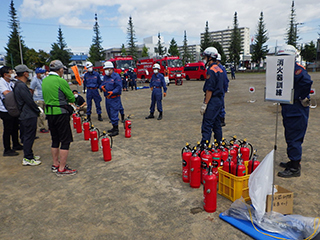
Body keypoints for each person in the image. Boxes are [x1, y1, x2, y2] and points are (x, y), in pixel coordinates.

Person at [277, 45, 313, 178]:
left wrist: (300, 96)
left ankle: (295, 167)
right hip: (289, 107)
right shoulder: (285, 70)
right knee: (290, 135)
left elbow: (307, 82)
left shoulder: (297, 69)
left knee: (294, 137)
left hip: (296, 108)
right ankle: (292, 161)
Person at [42, 60, 77, 176]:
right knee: (65, 140)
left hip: (49, 113)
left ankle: (55, 163)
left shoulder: (45, 80)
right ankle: (62, 168)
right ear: (60, 70)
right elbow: (71, 98)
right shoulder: (60, 81)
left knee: (55, 139)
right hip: (60, 113)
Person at [14, 65, 41, 166]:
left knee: (28, 136)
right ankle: (28, 157)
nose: (29, 74)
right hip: (27, 115)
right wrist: (37, 110)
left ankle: (30, 154)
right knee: (28, 136)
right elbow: (29, 101)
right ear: (24, 73)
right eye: (27, 72)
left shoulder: (19, 84)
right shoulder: (21, 85)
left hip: (26, 114)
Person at [200, 47, 224, 144]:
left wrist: (205, 104)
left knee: (207, 125)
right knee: (217, 125)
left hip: (212, 101)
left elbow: (209, 90)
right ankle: (219, 145)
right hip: (219, 100)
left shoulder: (211, 70)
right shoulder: (220, 69)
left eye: (205, 57)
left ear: (210, 58)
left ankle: (204, 147)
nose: (204, 59)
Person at [0, 66, 23, 156]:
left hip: (12, 108)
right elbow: (6, 93)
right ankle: (7, 149)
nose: (13, 74)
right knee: (8, 129)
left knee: (15, 127)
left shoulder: (10, 82)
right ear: (5, 74)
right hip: (4, 109)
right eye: (11, 72)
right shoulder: (1, 82)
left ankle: (16, 144)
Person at [100, 61, 122, 136]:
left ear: (111, 69)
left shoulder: (116, 77)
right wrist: (102, 87)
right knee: (109, 113)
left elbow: (119, 87)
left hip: (114, 98)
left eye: (106, 69)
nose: (105, 71)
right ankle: (113, 127)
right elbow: (102, 84)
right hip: (107, 98)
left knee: (114, 113)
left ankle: (116, 129)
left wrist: (112, 92)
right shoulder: (105, 77)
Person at [30, 67, 49, 133]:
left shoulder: (42, 79)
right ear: (37, 73)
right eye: (41, 73)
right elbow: (31, 90)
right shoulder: (34, 80)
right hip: (37, 99)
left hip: (44, 99)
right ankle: (41, 127)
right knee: (40, 115)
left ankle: (45, 126)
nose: (42, 74)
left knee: (45, 114)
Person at [217, 53, 229, 127]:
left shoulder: (220, 68)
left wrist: (224, 89)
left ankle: (222, 120)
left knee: (220, 105)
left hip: (220, 90)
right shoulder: (220, 68)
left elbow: (225, 80)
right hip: (220, 90)